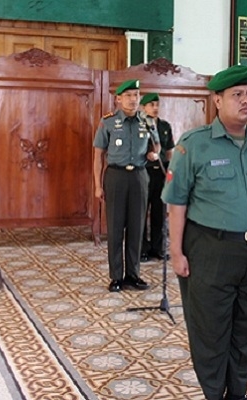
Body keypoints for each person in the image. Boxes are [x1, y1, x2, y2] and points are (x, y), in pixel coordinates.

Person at [162, 64, 247, 400]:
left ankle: (238, 392)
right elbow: (176, 203)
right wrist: (176, 252)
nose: (246, 100)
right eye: (237, 95)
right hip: (211, 251)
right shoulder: (195, 146)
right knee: (211, 331)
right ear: (217, 101)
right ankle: (213, 393)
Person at [93, 79, 161, 292]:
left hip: (139, 177)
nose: (133, 99)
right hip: (115, 176)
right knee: (115, 227)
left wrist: (154, 153)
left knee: (137, 226)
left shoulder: (146, 121)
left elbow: (157, 143)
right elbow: (98, 155)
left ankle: (133, 274)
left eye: (136, 95)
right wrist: (97, 184)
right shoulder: (109, 122)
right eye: (128, 95)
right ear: (118, 99)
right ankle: (116, 277)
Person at [139, 92, 175, 262]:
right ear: (143, 107)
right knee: (141, 212)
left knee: (159, 212)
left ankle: (158, 248)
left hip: (160, 173)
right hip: (143, 173)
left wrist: (170, 171)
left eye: (157, 104)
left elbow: (168, 151)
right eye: (151, 105)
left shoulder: (165, 126)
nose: (155, 108)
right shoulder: (139, 125)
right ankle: (142, 249)